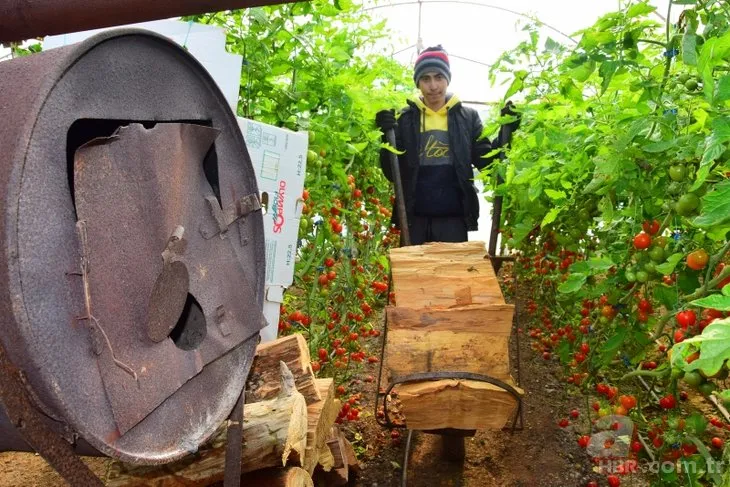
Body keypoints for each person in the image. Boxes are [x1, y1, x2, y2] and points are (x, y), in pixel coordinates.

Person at [375, 45, 519, 245]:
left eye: (438, 77)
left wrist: (506, 132)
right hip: (414, 218)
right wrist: (385, 136)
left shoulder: (468, 118)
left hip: (454, 218)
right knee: (414, 275)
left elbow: (487, 162)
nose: (433, 86)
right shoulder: (404, 119)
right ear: (418, 83)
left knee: (452, 276)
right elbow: (392, 172)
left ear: (447, 79)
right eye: (426, 79)